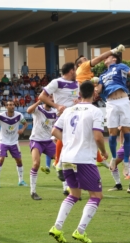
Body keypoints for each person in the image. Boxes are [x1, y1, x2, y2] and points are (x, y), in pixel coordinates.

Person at [49, 81, 108, 243]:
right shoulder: (95, 111)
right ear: (94, 95)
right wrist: (103, 152)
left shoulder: (68, 110)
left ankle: (57, 227)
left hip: (66, 158)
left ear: (79, 94)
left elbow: (54, 131)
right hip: (83, 159)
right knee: (96, 195)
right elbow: (98, 136)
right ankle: (80, 231)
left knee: (74, 194)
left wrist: (68, 142)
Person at [75, 45, 125, 168]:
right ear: (80, 64)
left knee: (88, 131)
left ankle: (98, 158)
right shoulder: (83, 66)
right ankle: (59, 161)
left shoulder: (86, 74)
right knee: (88, 131)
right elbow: (100, 57)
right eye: (85, 59)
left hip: (82, 99)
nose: (87, 60)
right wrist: (114, 50)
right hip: (82, 100)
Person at [96, 53, 130, 175]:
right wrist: (94, 88)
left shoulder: (120, 66)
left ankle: (126, 161)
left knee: (126, 133)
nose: (105, 58)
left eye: (107, 57)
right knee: (112, 133)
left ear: (114, 59)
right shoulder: (103, 75)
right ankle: (114, 157)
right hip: (110, 103)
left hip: (123, 100)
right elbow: (99, 89)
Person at [38, 62, 79, 193]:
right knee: (69, 144)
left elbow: (78, 98)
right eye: (76, 69)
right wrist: (57, 106)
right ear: (71, 71)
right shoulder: (57, 82)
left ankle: (65, 180)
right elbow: (41, 96)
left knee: (70, 146)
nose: (77, 71)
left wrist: (79, 101)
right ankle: (60, 166)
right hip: (64, 116)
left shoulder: (76, 84)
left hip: (75, 118)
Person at [0, 101, 28, 188]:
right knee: (1, 159)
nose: (12, 106)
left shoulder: (19, 115)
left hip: (14, 142)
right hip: (3, 141)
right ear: (6, 107)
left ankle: (21, 181)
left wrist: (22, 130)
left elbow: (25, 123)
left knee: (19, 160)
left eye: (13, 105)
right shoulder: (1, 116)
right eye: (10, 105)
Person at [26, 97, 57, 200]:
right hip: (36, 140)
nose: (51, 100)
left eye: (52, 99)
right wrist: (39, 101)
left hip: (48, 141)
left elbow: (55, 127)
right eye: (49, 99)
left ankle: (66, 189)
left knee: (61, 161)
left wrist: (55, 138)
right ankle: (33, 192)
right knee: (36, 164)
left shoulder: (54, 113)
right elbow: (28, 110)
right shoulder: (38, 109)